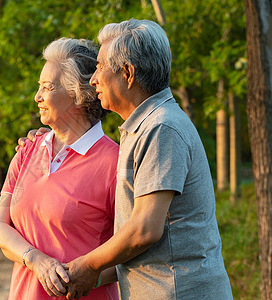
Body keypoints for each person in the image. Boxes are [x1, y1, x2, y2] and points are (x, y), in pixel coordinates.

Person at [20, 19, 233, 300]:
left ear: (128, 73)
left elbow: (144, 230)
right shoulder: (141, 128)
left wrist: (88, 264)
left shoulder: (161, 128)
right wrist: (89, 276)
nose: (93, 78)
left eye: (99, 67)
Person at [0, 37, 120, 300]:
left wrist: (89, 276)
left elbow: (135, 249)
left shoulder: (115, 163)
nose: (37, 97)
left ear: (77, 95)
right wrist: (36, 260)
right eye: (39, 87)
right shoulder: (27, 149)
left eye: (47, 88)